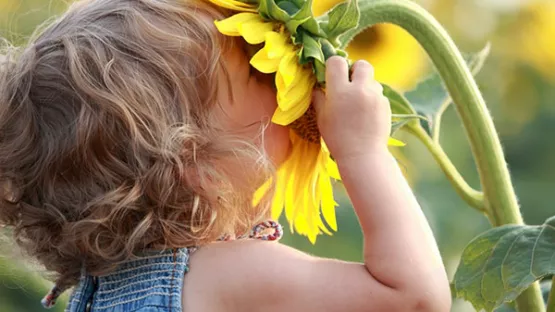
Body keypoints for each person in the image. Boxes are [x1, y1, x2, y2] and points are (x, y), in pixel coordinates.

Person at [0, 0, 451, 311]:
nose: (282, 90)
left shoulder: (100, 289)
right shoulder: (226, 276)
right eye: (259, 75)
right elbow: (412, 299)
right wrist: (362, 150)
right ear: (198, 167)